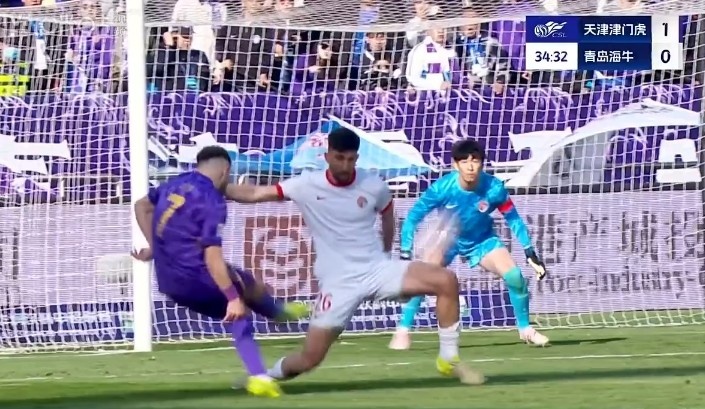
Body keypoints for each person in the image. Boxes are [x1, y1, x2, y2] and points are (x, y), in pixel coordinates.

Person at [224, 127, 485, 385]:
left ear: (357, 158)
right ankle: (265, 376)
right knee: (309, 359)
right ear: (327, 156)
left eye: (351, 159)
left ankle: (448, 359)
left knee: (445, 280)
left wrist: (386, 251)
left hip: (376, 269)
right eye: (339, 158)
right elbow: (256, 193)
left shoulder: (373, 185)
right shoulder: (306, 184)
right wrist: (215, 185)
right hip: (338, 283)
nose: (345, 165)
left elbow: (387, 214)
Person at [131, 146, 309, 398]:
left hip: (167, 278)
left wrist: (154, 246)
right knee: (238, 308)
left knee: (244, 281)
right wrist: (233, 299)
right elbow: (212, 257)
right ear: (226, 170)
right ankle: (260, 374)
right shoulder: (212, 201)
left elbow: (141, 206)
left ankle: (279, 312)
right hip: (195, 276)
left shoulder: (175, 184)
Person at [389, 139, 550, 350]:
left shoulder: (494, 188)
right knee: (424, 277)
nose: (470, 166)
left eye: (475, 161)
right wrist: (405, 252)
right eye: (464, 161)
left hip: (481, 240)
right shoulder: (441, 189)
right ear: (455, 165)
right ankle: (403, 330)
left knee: (515, 276)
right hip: (446, 238)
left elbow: (514, 219)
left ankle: (525, 329)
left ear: (482, 163)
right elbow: (412, 218)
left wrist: (529, 250)